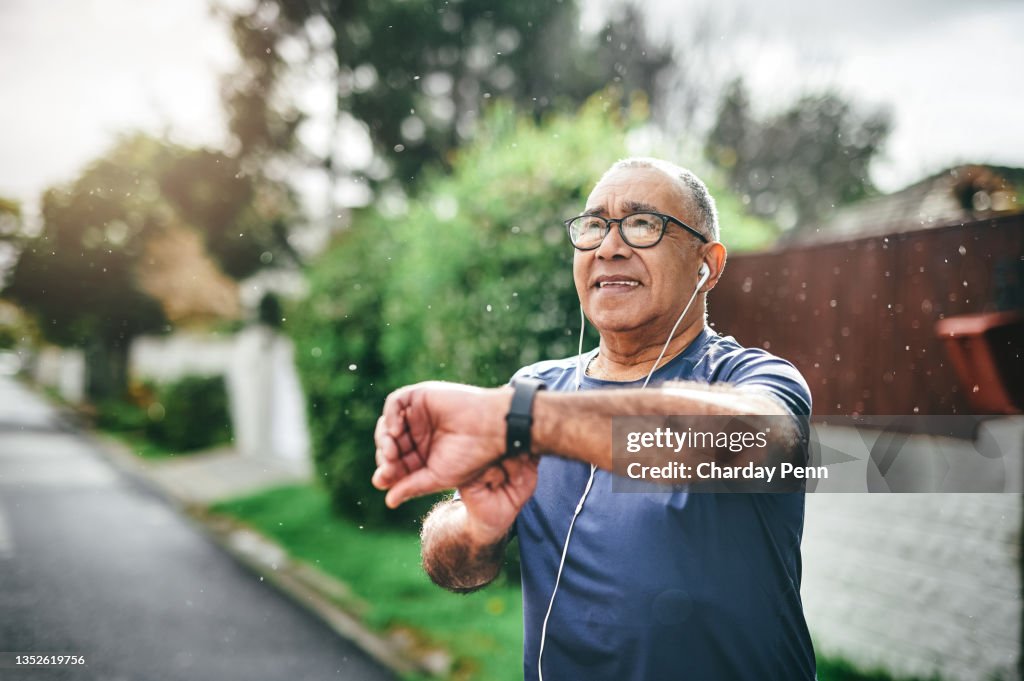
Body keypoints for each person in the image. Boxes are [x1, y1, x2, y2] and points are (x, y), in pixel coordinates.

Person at [372, 158, 817, 680]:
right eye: (593, 226)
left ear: (708, 264)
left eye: (643, 224)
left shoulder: (751, 379)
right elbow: (455, 569)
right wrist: (477, 528)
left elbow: (757, 440)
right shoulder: (535, 390)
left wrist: (526, 419)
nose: (609, 246)